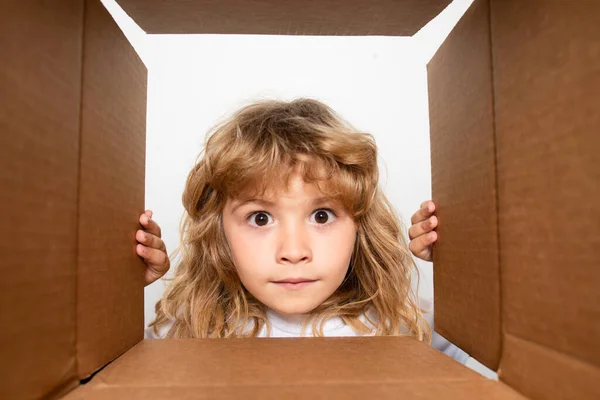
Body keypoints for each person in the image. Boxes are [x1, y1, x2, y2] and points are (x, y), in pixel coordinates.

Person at [135, 98, 466, 364]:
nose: (294, 251)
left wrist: (460, 268)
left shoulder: (400, 320)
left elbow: (473, 365)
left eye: (321, 216)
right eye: (261, 218)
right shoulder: (193, 326)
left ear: (359, 227)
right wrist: (122, 290)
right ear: (218, 231)